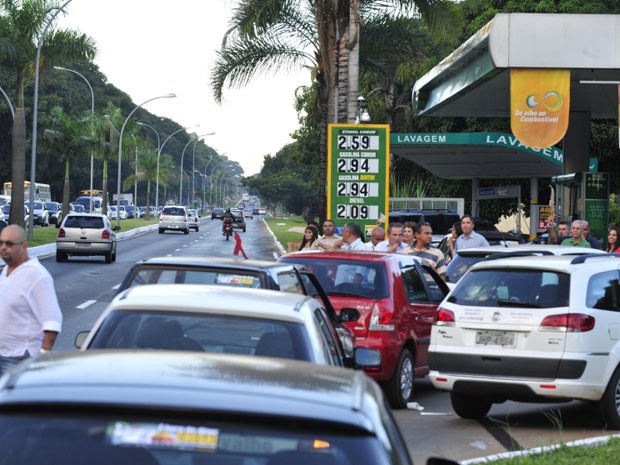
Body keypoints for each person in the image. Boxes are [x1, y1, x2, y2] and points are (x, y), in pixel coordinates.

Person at [0, 225, 63, 376]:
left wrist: (40, 358)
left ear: (24, 246)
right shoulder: (6, 270)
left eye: (9, 244)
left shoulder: (37, 275)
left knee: (13, 400)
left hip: (21, 359)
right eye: (1, 243)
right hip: (3, 353)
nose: (3, 247)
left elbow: (52, 321)